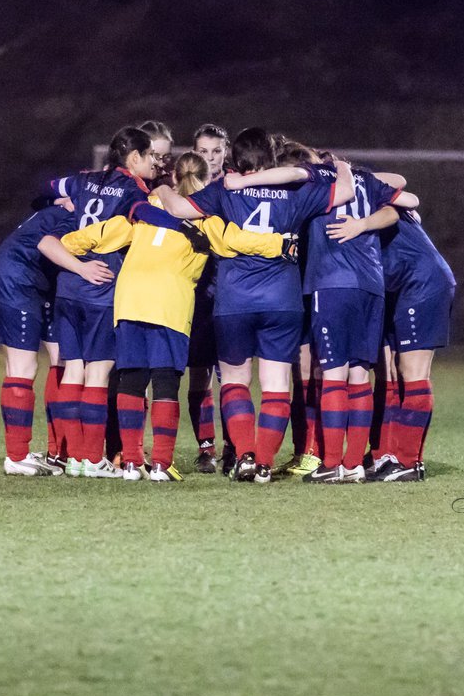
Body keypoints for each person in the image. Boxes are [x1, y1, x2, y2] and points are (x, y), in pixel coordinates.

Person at [55, 152, 294, 481]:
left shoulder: (145, 207)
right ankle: (161, 464)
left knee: (132, 380)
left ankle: (131, 463)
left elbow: (100, 233)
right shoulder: (204, 216)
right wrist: (281, 243)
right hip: (169, 301)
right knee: (166, 382)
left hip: (129, 299)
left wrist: (72, 244)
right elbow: (237, 241)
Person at [155, 127, 354, 482]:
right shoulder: (297, 191)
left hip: (234, 301)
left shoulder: (224, 188)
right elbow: (347, 192)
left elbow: (178, 207)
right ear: (271, 158)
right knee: (277, 383)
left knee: (234, 380)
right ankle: (264, 462)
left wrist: (161, 185)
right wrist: (341, 167)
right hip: (282, 300)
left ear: (235, 157)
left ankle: (245, 454)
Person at [226, 155, 417, 482]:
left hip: (333, 283)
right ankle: (354, 463)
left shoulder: (314, 177)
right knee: (359, 376)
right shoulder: (362, 178)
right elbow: (405, 201)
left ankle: (331, 463)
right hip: (371, 285)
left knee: (333, 374)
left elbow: (292, 172)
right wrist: (361, 215)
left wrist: (243, 181)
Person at [37, 126, 158, 478]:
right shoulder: (134, 187)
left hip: (67, 285)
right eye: (149, 156)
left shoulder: (81, 179)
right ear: (134, 157)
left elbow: (46, 188)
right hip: (101, 287)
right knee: (99, 373)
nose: (152, 163)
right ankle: (92, 459)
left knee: (72, 370)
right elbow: (143, 215)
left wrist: (61, 201)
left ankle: (73, 456)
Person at [0, 204, 111, 476]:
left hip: (29, 284)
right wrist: (82, 268)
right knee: (22, 367)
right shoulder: (70, 215)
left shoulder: (61, 209)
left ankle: (59, 452)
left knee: (63, 358)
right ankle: (17, 456)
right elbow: (47, 243)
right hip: (15, 283)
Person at [370, 207, 455, 481]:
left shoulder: (363, 192)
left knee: (414, 372)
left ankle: (408, 462)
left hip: (421, 283)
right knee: (390, 371)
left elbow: (400, 191)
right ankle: (388, 455)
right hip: (398, 286)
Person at [184, 124, 231, 472]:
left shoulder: (236, 187)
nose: (210, 158)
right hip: (196, 292)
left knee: (231, 375)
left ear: (226, 152)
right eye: (203, 151)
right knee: (199, 374)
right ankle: (206, 449)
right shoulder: (182, 191)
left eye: (216, 151)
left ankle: (235, 446)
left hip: (231, 291)